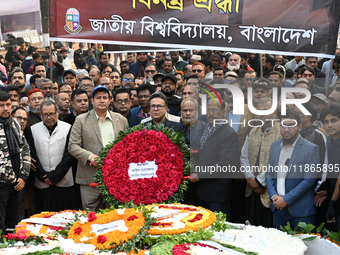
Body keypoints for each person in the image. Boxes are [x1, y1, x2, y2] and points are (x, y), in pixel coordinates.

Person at [68, 85, 128, 210]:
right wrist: (90, 157)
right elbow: (73, 146)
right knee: (91, 215)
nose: (102, 100)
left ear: (110, 100)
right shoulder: (81, 120)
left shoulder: (121, 120)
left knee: (115, 214)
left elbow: (127, 146)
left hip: (116, 177)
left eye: (105, 98)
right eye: (98, 98)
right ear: (92, 101)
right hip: (89, 176)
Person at [266, 110, 319, 229]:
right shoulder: (275, 145)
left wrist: (286, 199)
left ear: (300, 127)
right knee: (279, 245)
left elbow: (309, 180)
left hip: (300, 212)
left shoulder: (311, 149)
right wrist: (274, 195)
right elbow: (269, 173)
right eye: (283, 125)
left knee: (304, 247)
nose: (286, 129)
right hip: (277, 208)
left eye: (291, 125)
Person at [189, 97, 239, 216]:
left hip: (216, 194)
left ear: (223, 111)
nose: (211, 114)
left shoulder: (229, 134)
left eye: (215, 110)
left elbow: (224, 165)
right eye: (208, 110)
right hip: (200, 191)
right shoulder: (203, 129)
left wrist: (200, 175)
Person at [241, 98, 281, 227]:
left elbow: (279, 162)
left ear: (274, 112)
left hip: (270, 191)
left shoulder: (281, 132)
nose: (262, 114)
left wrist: (259, 181)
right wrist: (250, 179)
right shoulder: (253, 130)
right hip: (251, 188)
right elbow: (244, 157)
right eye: (259, 111)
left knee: (266, 227)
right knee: (250, 224)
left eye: (266, 110)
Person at [30, 100, 76, 212]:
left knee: (63, 214)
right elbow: (32, 154)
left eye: (51, 114)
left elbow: (69, 155)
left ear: (57, 113)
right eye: (45, 114)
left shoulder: (68, 127)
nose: (48, 117)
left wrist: (55, 176)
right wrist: (43, 176)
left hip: (64, 180)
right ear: (41, 114)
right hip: (42, 181)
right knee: (43, 213)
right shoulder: (33, 129)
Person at [0, 91, 30, 232]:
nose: (5, 108)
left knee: (15, 225)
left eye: (8, 105)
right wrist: (10, 178)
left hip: (18, 183)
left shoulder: (16, 124)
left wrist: (23, 176)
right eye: (1, 105)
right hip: (2, 184)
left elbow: (25, 150)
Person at [321, 104, 340, 230]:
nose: (329, 125)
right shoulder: (328, 140)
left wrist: (332, 203)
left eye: (334, 120)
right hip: (334, 193)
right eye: (326, 122)